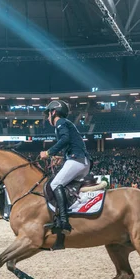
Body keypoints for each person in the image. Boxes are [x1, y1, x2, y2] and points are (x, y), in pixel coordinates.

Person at [40, 100, 91, 235]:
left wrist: (49, 152)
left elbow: (65, 139)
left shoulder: (60, 122)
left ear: (53, 112)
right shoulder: (66, 123)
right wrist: (62, 158)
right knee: (64, 186)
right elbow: (71, 142)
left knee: (56, 184)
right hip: (81, 160)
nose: (48, 117)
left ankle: (63, 221)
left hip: (77, 160)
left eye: (48, 114)